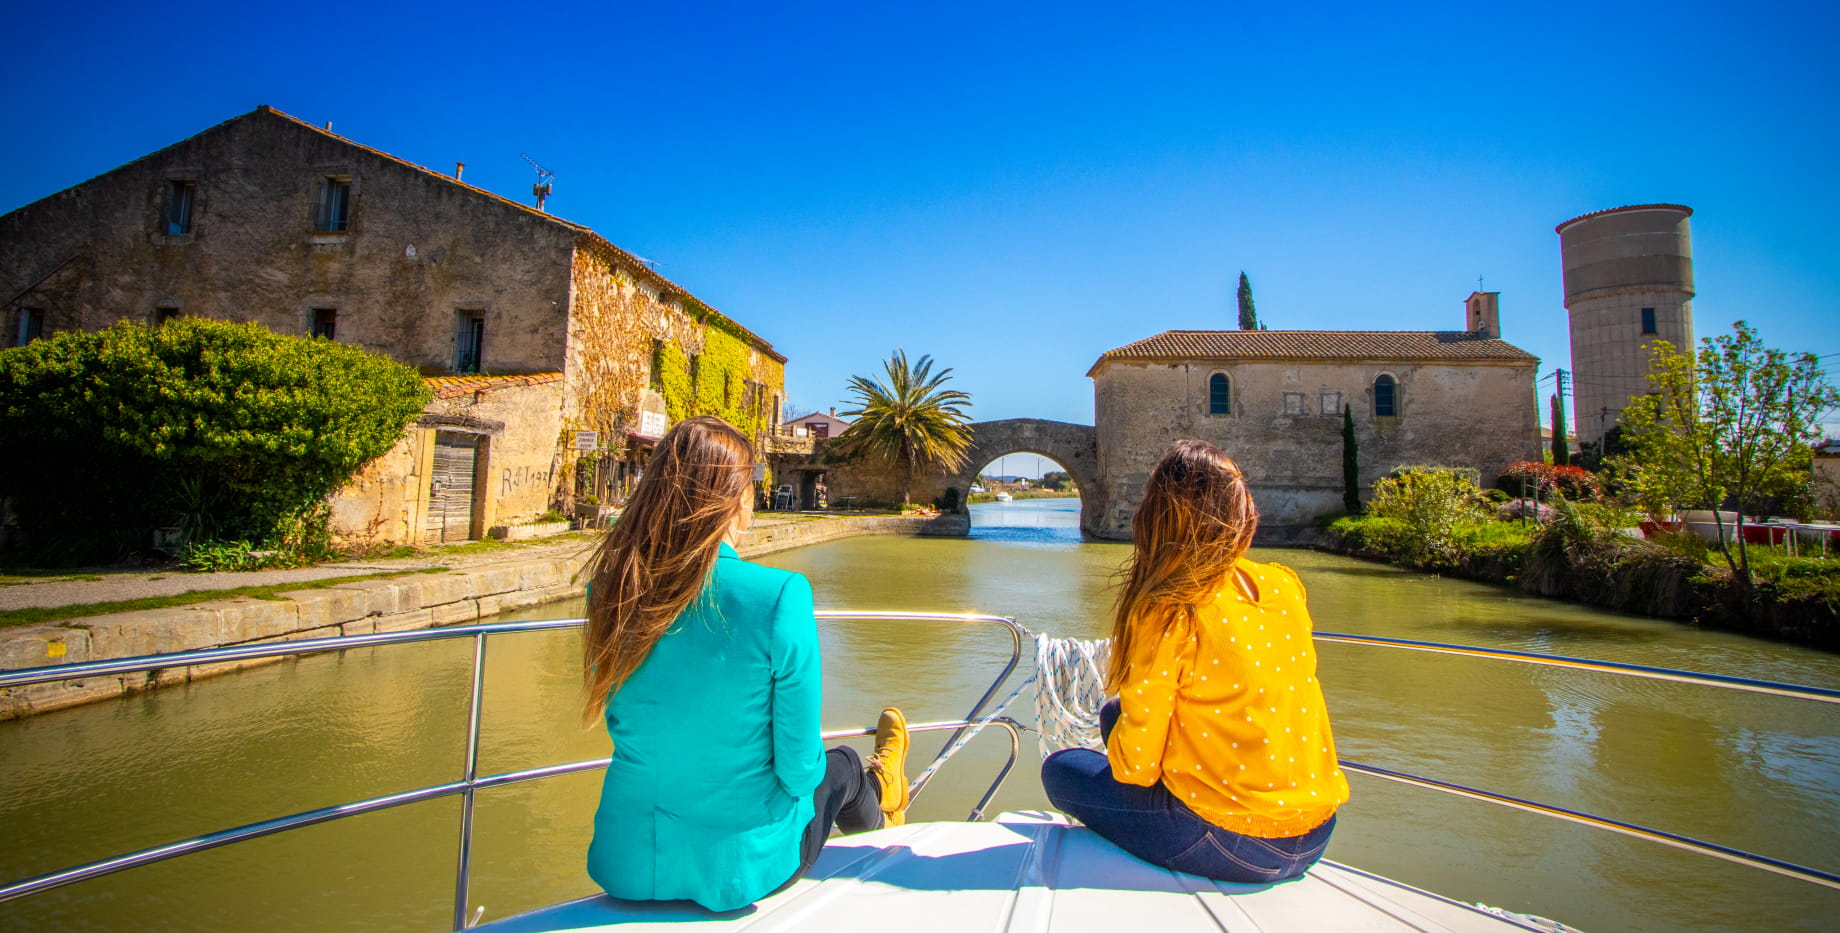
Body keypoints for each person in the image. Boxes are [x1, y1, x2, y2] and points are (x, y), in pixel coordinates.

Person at [580, 415, 912, 912]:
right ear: (737, 501)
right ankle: (886, 817)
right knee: (840, 766)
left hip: (625, 861)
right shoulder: (779, 595)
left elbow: (623, 721)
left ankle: (884, 799)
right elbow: (800, 771)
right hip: (742, 868)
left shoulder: (608, 589)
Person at [1040, 439, 1348, 884]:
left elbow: (1134, 769)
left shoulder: (1171, 608)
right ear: (1242, 510)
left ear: (1156, 517)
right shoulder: (1284, 586)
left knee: (1062, 770)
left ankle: (1191, 802)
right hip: (1317, 832)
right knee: (1113, 714)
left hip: (1232, 843)